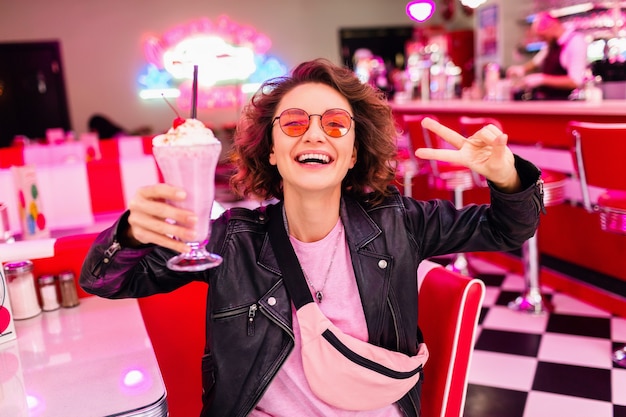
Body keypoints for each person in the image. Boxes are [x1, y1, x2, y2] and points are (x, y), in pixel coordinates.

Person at [79, 58, 543, 417]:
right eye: (296, 123)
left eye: (335, 124)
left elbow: (509, 228)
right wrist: (129, 232)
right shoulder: (231, 241)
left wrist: (505, 175)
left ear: (352, 152)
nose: (315, 134)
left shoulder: (399, 222)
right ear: (273, 151)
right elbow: (107, 281)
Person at [506, 11, 587, 100]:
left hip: (565, 102)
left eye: (543, 36)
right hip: (548, 101)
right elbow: (536, 61)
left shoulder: (575, 42)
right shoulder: (551, 44)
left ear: (551, 26)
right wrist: (522, 69)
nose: (542, 40)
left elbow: (575, 82)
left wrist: (542, 79)